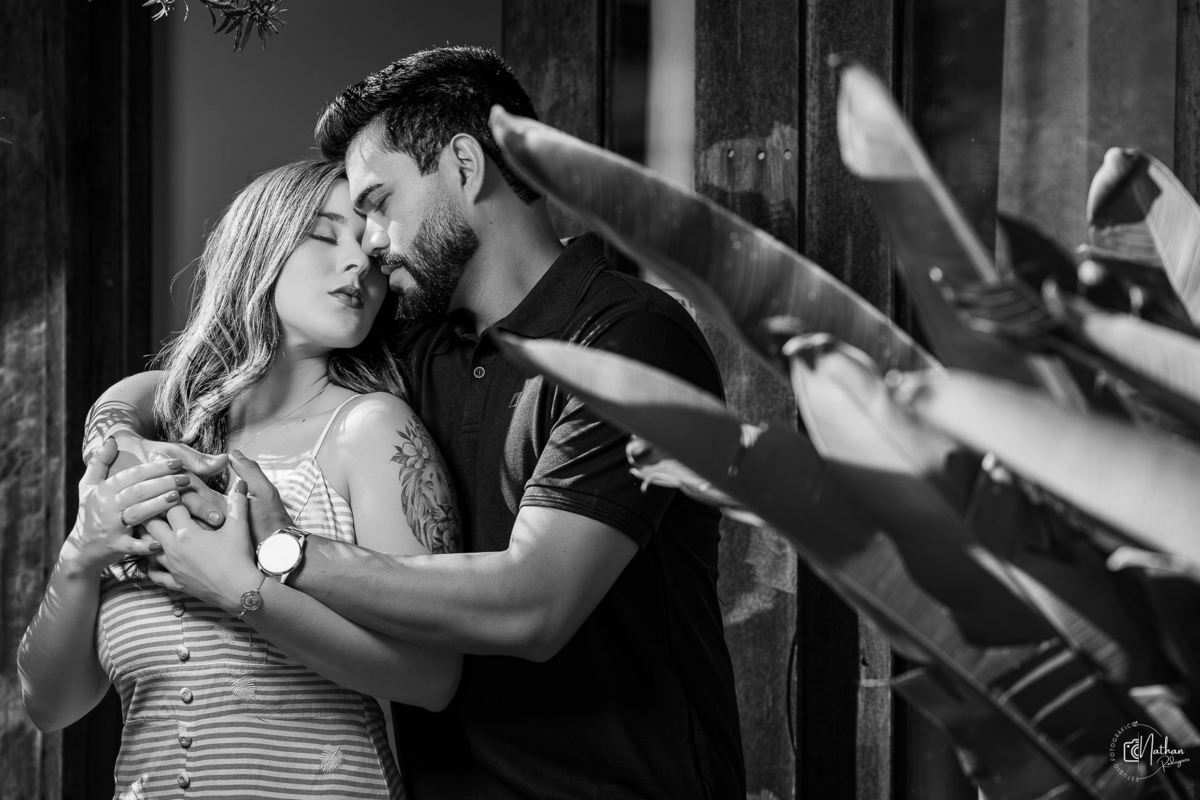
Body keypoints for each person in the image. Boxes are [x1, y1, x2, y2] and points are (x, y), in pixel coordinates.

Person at [78, 47, 746, 799]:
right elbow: (197, 378)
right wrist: (115, 435)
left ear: (464, 165)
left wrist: (283, 552)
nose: (367, 240)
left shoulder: (630, 339)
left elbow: (536, 604)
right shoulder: (413, 340)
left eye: (377, 202)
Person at [18, 160, 462, 800]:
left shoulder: (372, 431)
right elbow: (50, 706)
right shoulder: (158, 446)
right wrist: (79, 556)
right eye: (323, 233)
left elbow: (432, 676)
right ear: (259, 243)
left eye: (370, 252)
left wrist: (243, 590)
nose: (358, 264)